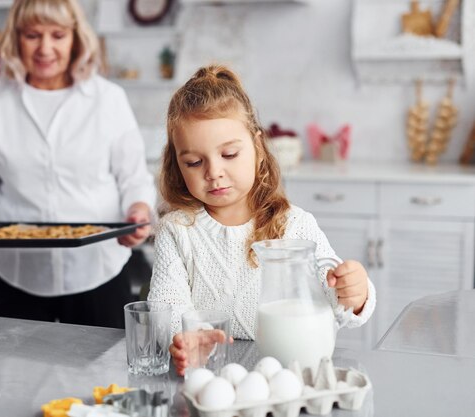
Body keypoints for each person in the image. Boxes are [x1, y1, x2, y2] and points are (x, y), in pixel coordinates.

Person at [147, 65, 376, 375]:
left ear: (256, 147)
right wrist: (187, 337)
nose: (213, 172)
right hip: (214, 374)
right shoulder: (177, 230)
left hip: (288, 372)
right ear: (177, 163)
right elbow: (167, 303)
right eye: (194, 162)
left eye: (229, 155)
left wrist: (355, 292)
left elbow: (331, 296)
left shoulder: (294, 224)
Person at [0, 0, 156, 329]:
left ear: (75, 38)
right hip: (18, 274)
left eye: (58, 35)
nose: (45, 48)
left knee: (104, 376)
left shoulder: (108, 99)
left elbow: (134, 178)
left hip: (99, 269)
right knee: (15, 377)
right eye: (33, 35)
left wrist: (138, 211)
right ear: (16, 38)